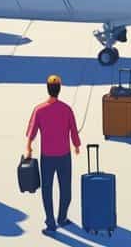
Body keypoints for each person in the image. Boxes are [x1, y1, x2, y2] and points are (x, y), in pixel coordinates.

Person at [25, 75, 82, 233]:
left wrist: (28, 148)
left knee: (47, 190)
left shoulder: (39, 109)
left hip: (47, 157)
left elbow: (31, 133)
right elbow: (73, 131)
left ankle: (50, 222)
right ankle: (62, 218)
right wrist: (76, 146)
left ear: (48, 89)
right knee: (66, 189)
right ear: (59, 89)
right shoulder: (66, 109)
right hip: (64, 156)